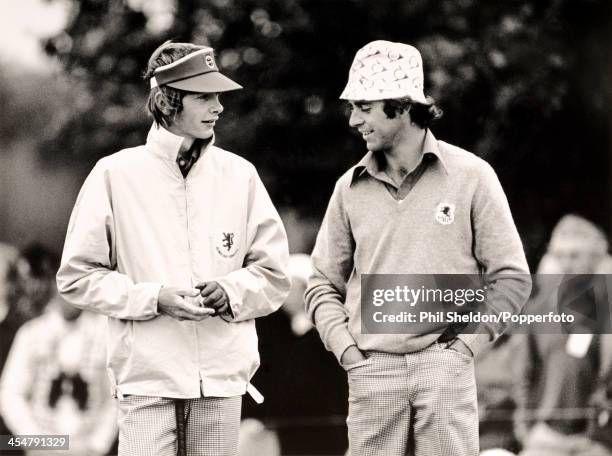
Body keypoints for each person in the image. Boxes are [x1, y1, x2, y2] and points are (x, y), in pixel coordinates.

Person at [56, 41, 291, 456]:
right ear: (166, 100)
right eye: (204, 96)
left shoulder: (241, 176)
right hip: (145, 381)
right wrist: (154, 298)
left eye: (218, 95)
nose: (218, 107)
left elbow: (273, 275)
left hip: (222, 380)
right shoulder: (113, 174)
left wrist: (232, 292)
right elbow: (76, 278)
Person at [305, 40, 531, 456]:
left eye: (365, 107)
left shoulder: (472, 177)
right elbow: (320, 283)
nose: (354, 119)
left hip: (445, 365)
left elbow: (512, 277)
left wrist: (465, 346)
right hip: (371, 369)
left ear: (402, 105)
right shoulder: (347, 188)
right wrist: (348, 351)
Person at [515, 214, 611, 456]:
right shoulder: (538, 310)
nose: (567, 264)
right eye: (561, 256)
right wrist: (527, 427)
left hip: (597, 439)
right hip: (547, 436)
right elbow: (525, 373)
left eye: (575, 255)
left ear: (595, 258)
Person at [0, 278, 117, 455]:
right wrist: (35, 439)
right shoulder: (32, 333)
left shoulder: (106, 336)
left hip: (88, 446)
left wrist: (97, 443)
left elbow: (116, 396)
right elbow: (11, 393)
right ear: (53, 287)